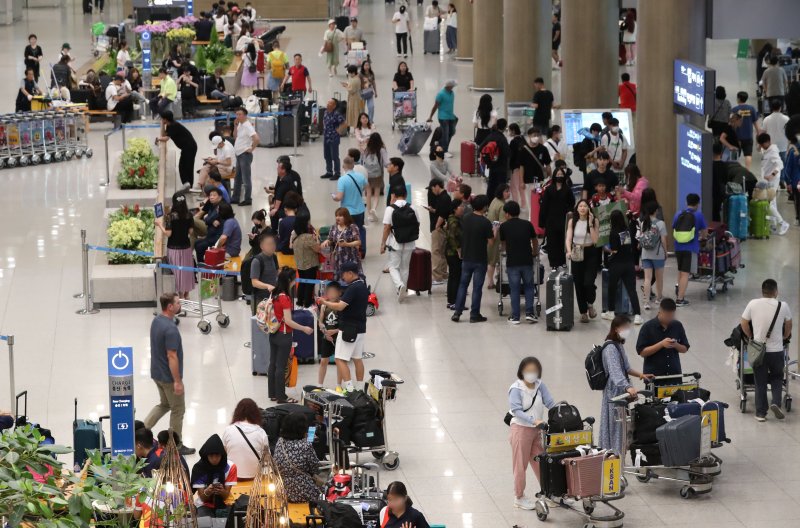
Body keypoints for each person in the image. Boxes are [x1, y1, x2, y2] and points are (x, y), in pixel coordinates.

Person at [144, 293, 194, 456]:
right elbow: (172, 356)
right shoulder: (171, 329)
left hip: (156, 373)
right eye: (178, 303)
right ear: (170, 307)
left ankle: (142, 430)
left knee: (165, 404)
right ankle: (175, 445)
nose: (180, 305)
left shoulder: (157, 321)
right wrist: (177, 381)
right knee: (178, 409)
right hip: (168, 377)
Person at [741, 278, 793, 422]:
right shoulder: (783, 305)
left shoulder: (753, 303)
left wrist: (750, 336)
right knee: (777, 378)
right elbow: (789, 324)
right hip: (777, 351)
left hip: (759, 350)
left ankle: (761, 413)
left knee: (760, 382)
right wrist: (784, 336)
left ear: (762, 291)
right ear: (776, 292)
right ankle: (775, 402)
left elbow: (744, 322)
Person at [598, 316, 653, 451]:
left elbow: (626, 368)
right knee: (615, 424)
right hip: (614, 392)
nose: (627, 330)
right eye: (625, 328)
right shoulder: (610, 348)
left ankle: (617, 453)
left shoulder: (618, 345)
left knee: (620, 423)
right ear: (616, 329)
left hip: (621, 391)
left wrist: (641, 375)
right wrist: (628, 387)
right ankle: (613, 454)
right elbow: (615, 372)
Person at [507, 357, 554, 510]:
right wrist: (533, 420)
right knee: (520, 465)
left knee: (541, 463)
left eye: (534, 371)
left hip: (536, 431)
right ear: (521, 371)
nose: (531, 374)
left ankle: (549, 492)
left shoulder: (540, 385)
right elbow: (516, 410)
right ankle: (519, 497)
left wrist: (560, 411)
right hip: (520, 430)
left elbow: (550, 402)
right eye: (528, 371)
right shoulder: (516, 388)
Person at [318, 261, 368, 393]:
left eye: (344, 275)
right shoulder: (362, 285)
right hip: (361, 328)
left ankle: (350, 389)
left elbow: (340, 306)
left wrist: (325, 302)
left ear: (350, 273)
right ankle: (360, 387)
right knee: (357, 358)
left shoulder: (352, 288)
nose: (342, 278)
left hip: (348, 329)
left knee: (340, 359)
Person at [268, 268, 313, 404]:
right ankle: (282, 397)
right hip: (284, 334)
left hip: (273, 332)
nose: (295, 281)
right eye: (294, 278)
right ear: (289, 280)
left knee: (273, 364)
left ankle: (273, 394)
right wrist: (303, 328)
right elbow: (288, 321)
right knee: (281, 366)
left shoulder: (274, 294)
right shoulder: (285, 298)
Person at [451, 195, 494, 323]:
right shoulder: (485, 222)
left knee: (463, 285)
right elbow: (491, 242)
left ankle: (457, 312)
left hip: (467, 257)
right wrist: (495, 231)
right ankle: (474, 314)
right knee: (477, 288)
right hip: (480, 259)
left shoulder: (466, 218)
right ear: (485, 207)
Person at [500, 201, 539, 324]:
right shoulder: (527, 224)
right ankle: (529, 313)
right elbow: (535, 240)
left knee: (514, 289)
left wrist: (505, 251)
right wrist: (534, 252)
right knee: (529, 287)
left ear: (507, 214)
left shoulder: (504, 226)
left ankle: (515, 316)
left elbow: (503, 245)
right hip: (527, 261)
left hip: (512, 263)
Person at [602, 209, 642, 324]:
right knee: (631, 290)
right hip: (628, 263)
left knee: (612, 288)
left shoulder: (613, 233)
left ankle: (610, 312)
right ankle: (637, 315)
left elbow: (614, 250)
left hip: (616, 264)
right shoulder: (626, 230)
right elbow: (625, 247)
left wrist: (606, 249)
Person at [382, 185, 420, 302]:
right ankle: (402, 290)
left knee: (393, 266)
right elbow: (417, 224)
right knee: (405, 267)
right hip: (409, 242)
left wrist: (383, 243)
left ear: (393, 195)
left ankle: (399, 286)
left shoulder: (390, 209)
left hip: (395, 243)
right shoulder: (413, 208)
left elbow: (387, 227)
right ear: (406, 195)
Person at [274, 413, 321, 502]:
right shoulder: (306, 445)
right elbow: (316, 469)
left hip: (282, 492)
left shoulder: (280, 442)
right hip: (304, 492)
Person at [636, 298, 690, 377]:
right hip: (654, 377)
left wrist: (676, 345)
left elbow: (685, 348)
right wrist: (661, 344)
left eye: (671, 316)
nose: (669, 319)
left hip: (674, 375)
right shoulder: (647, 327)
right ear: (660, 312)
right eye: (667, 316)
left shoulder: (677, 325)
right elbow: (642, 352)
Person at [566, 200, 600, 323]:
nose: (582, 208)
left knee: (588, 282)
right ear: (577, 208)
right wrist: (569, 251)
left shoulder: (594, 221)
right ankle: (583, 312)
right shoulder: (572, 221)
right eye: (580, 206)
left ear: (588, 208)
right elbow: (569, 238)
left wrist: (590, 224)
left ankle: (590, 303)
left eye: (585, 206)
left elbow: (596, 240)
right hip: (577, 252)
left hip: (590, 252)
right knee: (579, 284)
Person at [155, 194, 194, 299]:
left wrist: (159, 225)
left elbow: (168, 234)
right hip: (186, 247)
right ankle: (186, 293)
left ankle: (180, 295)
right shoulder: (189, 215)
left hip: (174, 248)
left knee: (177, 272)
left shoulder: (170, 216)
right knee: (186, 271)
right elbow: (190, 232)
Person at [673, 193, 708, 307]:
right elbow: (704, 232)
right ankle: (680, 299)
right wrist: (702, 238)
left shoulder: (678, 214)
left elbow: (674, 227)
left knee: (680, 270)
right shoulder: (698, 215)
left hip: (678, 246)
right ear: (698, 203)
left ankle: (679, 290)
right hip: (690, 247)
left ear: (686, 202)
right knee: (685, 273)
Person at [191, 434, 237, 519]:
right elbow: (203, 498)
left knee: (228, 523)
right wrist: (208, 491)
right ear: (206, 456)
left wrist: (222, 491)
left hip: (225, 502)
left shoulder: (231, 467)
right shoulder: (199, 469)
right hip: (204, 504)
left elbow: (226, 496)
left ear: (222, 455)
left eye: (217, 456)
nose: (214, 459)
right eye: (211, 456)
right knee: (205, 523)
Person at [222, 398, 269, 481]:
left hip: (232, 477)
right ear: (256, 414)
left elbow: (223, 454)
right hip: (255, 478)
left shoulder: (228, 430)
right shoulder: (261, 433)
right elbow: (267, 459)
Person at [539, 167, 575, 269]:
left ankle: (562, 261)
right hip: (551, 220)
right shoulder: (549, 189)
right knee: (552, 242)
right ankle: (553, 263)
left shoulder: (567, 189)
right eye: (557, 175)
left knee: (562, 242)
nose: (559, 176)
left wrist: (569, 211)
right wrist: (541, 222)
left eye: (561, 175)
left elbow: (572, 202)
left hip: (563, 219)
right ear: (554, 176)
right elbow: (544, 206)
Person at [756, 133, 790, 235]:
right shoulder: (767, 150)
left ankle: (782, 223)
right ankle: (774, 225)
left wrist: (772, 175)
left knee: (769, 203)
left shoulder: (773, 151)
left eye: (762, 144)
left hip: (772, 181)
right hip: (767, 181)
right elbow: (760, 151)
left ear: (767, 142)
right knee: (773, 203)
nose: (761, 146)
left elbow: (780, 164)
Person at [637, 201, 668, 309]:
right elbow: (663, 240)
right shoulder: (660, 223)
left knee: (647, 279)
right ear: (656, 211)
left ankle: (646, 302)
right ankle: (659, 298)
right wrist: (665, 252)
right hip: (657, 254)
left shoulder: (643, 222)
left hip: (645, 254)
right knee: (659, 278)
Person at [333, 156, 367, 251]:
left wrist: (334, 197)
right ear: (353, 165)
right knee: (360, 229)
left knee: (347, 231)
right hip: (360, 209)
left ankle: (350, 250)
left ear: (344, 165)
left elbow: (339, 197)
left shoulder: (342, 180)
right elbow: (366, 187)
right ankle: (362, 250)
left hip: (347, 212)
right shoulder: (361, 176)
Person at [156, 111, 197, 188]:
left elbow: (165, 138)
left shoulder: (174, 125)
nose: (161, 120)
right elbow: (164, 134)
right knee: (182, 166)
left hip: (190, 147)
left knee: (188, 166)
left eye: (162, 119)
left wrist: (159, 139)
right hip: (185, 148)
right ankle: (186, 183)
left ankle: (189, 184)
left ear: (165, 119)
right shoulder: (169, 125)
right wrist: (162, 124)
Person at [323, 208, 363, 281]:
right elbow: (330, 239)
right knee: (340, 278)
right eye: (336, 215)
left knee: (352, 277)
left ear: (346, 217)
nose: (337, 217)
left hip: (351, 257)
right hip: (338, 258)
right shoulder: (333, 227)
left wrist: (346, 244)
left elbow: (358, 242)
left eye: (340, 215)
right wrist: (327, 241)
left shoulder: (352, 227)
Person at [292, 214, 321, 308]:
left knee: (302, 283)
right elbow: (317, 249)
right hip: (310, 265)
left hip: (300, 265)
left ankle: (300, 302)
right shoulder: (308, 237)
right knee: (309, 284)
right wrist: (317, 240)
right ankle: (307, 303)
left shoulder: (295, 238)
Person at [426, 177, 451, 285]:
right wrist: (433, 210)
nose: (432, 191)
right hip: (443, 228)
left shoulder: (443, 197)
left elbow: (442, 214)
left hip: (439, 228)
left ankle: (437, 277)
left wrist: (436, 226)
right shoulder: (444, 197)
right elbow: (441, 211)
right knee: (442, 252)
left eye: (432, 189)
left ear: (436, 186)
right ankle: (443, 274)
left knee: (436, 252)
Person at [231, 107, 258, 206]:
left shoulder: (247, 126)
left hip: (245, 155)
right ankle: (235, 198)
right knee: (237, 178)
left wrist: (251, 148)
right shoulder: (240, 125)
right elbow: (235, 137)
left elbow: (256, 138)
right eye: (236, 114)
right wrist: (235, 126)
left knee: (246, 179)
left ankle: (247, 199)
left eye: (240, 114)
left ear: (245, 115)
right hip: (239, 154)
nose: (238, 116)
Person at [317, 281, 342, 385]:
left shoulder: (341, 305)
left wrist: (335, 331)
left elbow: (344, 324)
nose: (331, 295)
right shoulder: (324, 306)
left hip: (339, 337)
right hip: (326, 337)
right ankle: (320, 385)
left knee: (340, 362)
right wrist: (325, 332)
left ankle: (339, 385)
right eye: (329, 292)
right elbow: (320, 322)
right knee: (323, 361)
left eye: (334, 292)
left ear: (339, 293)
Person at [480, 118, 511, 199]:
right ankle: (499, 201)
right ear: (504, 127)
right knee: (501, 186)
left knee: (491, 185)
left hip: (491, 165)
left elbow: (480, 148)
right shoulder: (502, 138)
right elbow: (507, 153)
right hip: (501, 166)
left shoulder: (491, 136)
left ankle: (489, 202)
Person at [485, 184, 509, 290]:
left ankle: (493, 279)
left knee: (491, 259)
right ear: (502, 193)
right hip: (496, 235)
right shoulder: (502, 206)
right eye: (506, 191)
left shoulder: (494, 201)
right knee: (494, 260)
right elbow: (501, 222)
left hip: (489, 232)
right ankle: (491, 282)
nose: (509, 193)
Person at [426, 79, 458, 155]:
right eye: (452, 86)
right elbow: (435, 106)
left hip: (451, 116)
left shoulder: (452, 93)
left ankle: (439, 146)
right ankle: (444, 151)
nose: (453, 87)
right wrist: (430, 116)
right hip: (443, 117)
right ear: (449, 86)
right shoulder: (440, 94)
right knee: (445, 134)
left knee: (452, 132)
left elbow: (449, 105)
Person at [517, 126, 551, 195]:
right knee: (529, 202)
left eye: (538, 135)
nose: (536, 137)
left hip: (539, 181)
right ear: (529, 136)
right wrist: (521, 181)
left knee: (538, 199)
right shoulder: (523, 150)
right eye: (534, 135)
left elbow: (548, 165)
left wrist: (550, 179)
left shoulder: (543, 149)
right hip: (527, 181)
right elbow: (521, 167)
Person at [732, 91, 761, 170]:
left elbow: (732, 124)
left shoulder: (734, 109)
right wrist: (758, 133)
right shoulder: (751, 109)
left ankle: (734, 170)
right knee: (748, 155)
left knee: (735, 154)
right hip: (748, 136)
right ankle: (747, 171)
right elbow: (755, 122)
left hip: (737, 137)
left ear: (738, 98)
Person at [363, 133, 389, 220]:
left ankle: (369, 213)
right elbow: (386, 163)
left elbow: (362, 162)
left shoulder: (367, 149)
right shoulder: (382, 150)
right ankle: (374, 209)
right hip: (378, 175)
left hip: (367, 174)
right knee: (377, 194)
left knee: (368, 194)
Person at [250, 232, 278, 314]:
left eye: (273, 243)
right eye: (269, 244)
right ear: (262, 246)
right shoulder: (257, 261)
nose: (272, 246)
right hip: (260, 299)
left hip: (272, 297)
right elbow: (254, 282)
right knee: (260, 324)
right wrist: (267, 286)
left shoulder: (274, 257)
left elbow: (276, 273)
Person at [444, 199, 464, 309]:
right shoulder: (453, 221)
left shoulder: (455, 219)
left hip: (451, 253)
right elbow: (451, 237)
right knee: (456, 277)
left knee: (453, 276)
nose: (463, 208)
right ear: (455, 209)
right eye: (460, 206)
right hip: (453, 254)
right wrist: (458, 249)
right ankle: (455, 301)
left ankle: (451, 300)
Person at [321, 99, 348, 179]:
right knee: (327, 155)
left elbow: (344, 123)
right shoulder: (326, 112)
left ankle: (337, 173)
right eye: (328, 102)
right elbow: (324, 121)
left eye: (330, 103)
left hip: (334, 138)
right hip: (326, 137)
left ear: (334, 106)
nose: (328, 104)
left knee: (334, 156)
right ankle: (329, 171)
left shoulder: (336, 114)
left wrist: (339, 131)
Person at [785, 116, 800, 226]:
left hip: (796, 181)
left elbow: (787, 168)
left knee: (798, 201)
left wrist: (788, 182)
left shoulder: (792, 150)